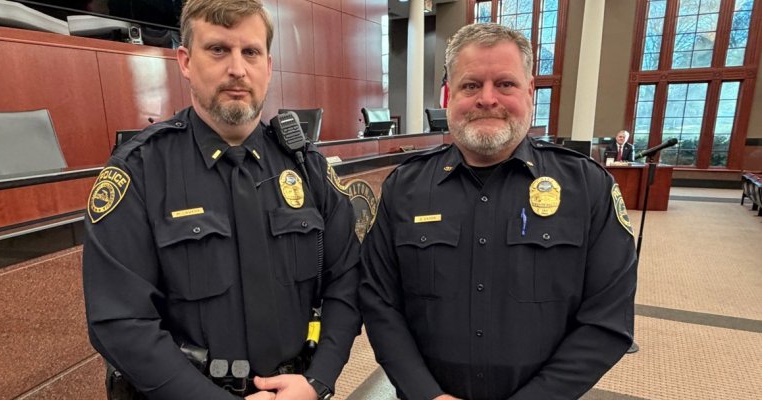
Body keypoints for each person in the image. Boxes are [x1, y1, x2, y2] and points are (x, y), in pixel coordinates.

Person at [83, 1, 361, 399]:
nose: (237, 68)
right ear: (184, 60)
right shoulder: (138, 172)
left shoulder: (308, 169)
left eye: (250, 52)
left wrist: (318, 381)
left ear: (267, 65)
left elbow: (347, 281)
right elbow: (120, 321)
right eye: (218, 50)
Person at [359, 23, 637, 400]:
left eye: (505, 84)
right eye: (471, 85)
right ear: (448, 95)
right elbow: (379, 304)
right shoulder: (404, 188)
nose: (487, 99)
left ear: (530, 92)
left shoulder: (588, 187)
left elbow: (608, 320)